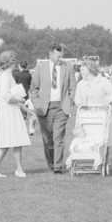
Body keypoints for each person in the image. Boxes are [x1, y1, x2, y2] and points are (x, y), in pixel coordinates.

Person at [29, 44, 76, 174]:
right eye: (58, 56)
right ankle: (50, 163)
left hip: (61, 108)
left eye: (62, 56)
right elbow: (34, 88)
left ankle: (58, 166)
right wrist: (36, 102)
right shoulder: (41, 67)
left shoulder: (68, 67)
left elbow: (73, 86)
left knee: (58, 137)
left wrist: (70, 100)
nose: (60, 58)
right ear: (50, 55)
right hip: (44, 108)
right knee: (47, 140)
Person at [0, 51, 31, 177]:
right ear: (11, 63)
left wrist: (26, 109)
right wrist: (20, 99)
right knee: (11, 141)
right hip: (9, 110)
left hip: (9, 110)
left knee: (13, 141)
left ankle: (10, 169)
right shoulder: (6, 76)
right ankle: (14, 169)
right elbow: (7, 96)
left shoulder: (4, 75)